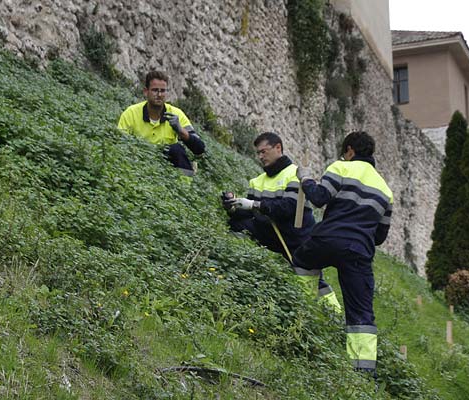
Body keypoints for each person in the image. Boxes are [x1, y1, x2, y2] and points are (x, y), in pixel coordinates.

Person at [292, 131, 393, 375]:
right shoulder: (385, 190)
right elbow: (379, 237)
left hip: (327, 239)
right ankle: (362, 373)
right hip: (359, 250)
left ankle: (300, 316)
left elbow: (318, 198)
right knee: (361, 312)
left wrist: (305, 179)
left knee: (302, 261)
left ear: (349, 150)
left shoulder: (341, 167)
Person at [222, 132, 341, 312]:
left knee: (308, 281)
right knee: (238, 226)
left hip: (297, 236)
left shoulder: (294, 174)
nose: (261, 156)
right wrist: (233, 206)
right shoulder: (257, 181)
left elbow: (288, 208)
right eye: (258, 153)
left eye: (264, 151)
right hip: (270, 234)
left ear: (278, 148)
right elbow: (249, 214)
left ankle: (334, 315)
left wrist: (254, 204)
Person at [117, 70, 205, 176]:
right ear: (146, 91)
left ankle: (185, 186)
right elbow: (120, 143)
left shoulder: (176, 114)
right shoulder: (130, 113)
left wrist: (181, 131)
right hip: (138, 162)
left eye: (162, 91)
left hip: (166, 168)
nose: (159, 95)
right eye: (155, 90)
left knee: (177, 150)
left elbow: (199, 149)